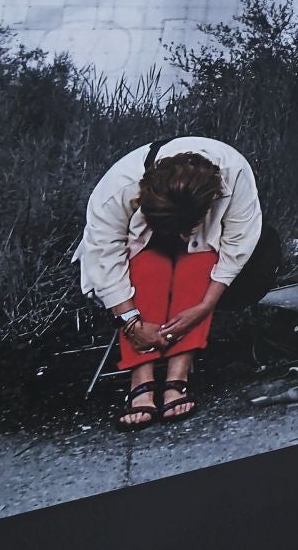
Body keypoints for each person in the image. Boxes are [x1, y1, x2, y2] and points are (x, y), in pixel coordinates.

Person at [77, 136, 264, 428]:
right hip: (141, 248)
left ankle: (177, 378)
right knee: (149, 265)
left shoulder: (235, 171)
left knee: (200, 263)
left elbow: (237, 244)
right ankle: (142, 377)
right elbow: (104, 255)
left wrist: (205, 305)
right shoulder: (118, 186)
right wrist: (131, 323)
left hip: (205, 250)